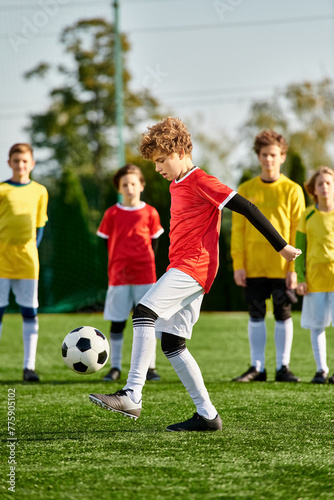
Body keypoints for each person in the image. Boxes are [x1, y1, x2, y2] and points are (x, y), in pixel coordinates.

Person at [89, 117, 301, 432]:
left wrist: (281, 246)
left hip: (194, 266)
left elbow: (247, 207)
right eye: (155, 162)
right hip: (184, 267)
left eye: (162, 160)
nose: (158, 168)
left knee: (144, 313)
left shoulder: (201, 180)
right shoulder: (176, 183)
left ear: (180, 151)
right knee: (173, 343)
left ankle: (132, 393)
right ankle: (207, 415)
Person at [231, 130, 305, 383]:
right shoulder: (245, 188)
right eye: (264, 155)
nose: (268, 159)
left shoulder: (293, 190)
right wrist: (238, 264)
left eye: (273, 155)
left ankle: (283, 368)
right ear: (258, 156)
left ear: (282, 156)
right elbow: (238, 231)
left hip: (283, 267)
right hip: (253, 266)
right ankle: (257, 368)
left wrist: (295, 268)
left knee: (283, 314)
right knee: (255, 314)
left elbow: (299, 231)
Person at [97, 164, 164, 382]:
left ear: (141, 186)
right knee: (118, 322)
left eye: (133, 183)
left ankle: (150, 367)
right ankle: (115, 367)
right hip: (119, 276)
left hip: (146, 276)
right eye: (125, 184)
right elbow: (105, 245)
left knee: (148, 322)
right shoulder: (112, 213)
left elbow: (155, 244)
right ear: (119, 188)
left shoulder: (150, 212)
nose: (129, 188)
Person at [0, 143, 48, 381]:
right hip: (1, 262)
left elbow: (39, 227)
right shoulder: (1, 190)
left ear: (32, 163)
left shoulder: (40, 191)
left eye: (25, 161)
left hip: (28, 262)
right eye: (16, 161)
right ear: (9, 163)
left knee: (30, 312)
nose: (20, 165)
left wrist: (31, 250)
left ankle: (29, 368)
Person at [295, 166, 334, 384]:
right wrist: (300, 277)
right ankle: (321, 371)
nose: (325, 187)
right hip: (315, 281)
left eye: (329, 183)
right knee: (317, 326)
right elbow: (299, 249)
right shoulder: (307, 215)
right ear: (314, 189)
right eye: (320, 183)